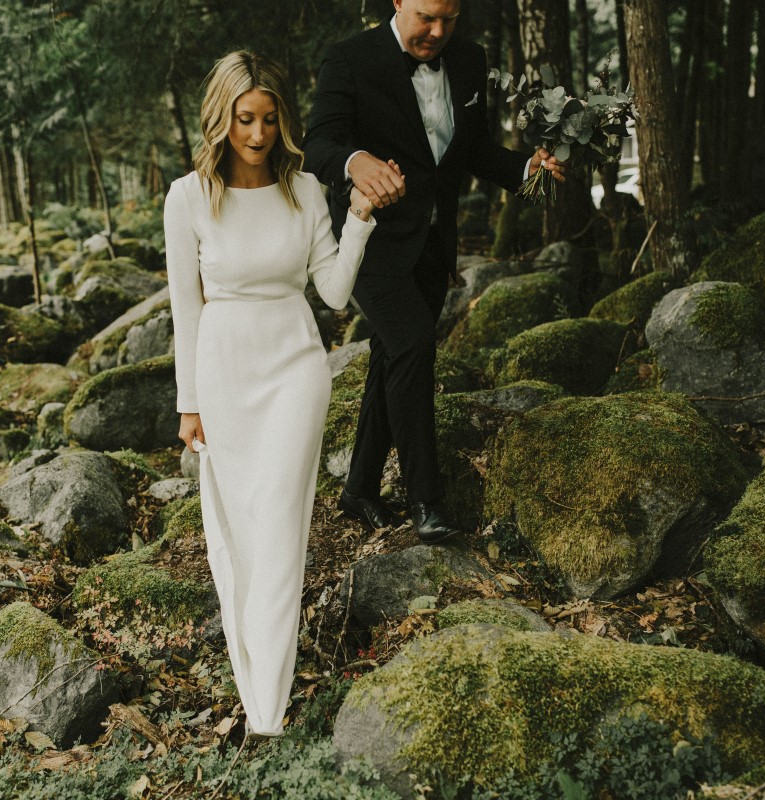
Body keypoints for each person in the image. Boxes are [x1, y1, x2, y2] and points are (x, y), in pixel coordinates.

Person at [165, 51, 395, 738]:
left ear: (283, 120)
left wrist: (358, 216)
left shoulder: (302, 193)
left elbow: (330, 291)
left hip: (296, 367)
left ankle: (269, 702)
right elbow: (185, 306)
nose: (258, 134)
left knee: (281, 529)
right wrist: (189, 402)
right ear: (221, 117)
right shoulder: (188, 198)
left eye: (269, 119)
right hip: (225, 372)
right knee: (237, 532)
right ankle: (254, 679)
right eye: (244, 119)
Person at [304, 0, 565, 543]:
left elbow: (471, 151)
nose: (438, 31)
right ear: (398, 1)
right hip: (366, 241)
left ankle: (359, 489)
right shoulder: (348, 59)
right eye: (427, 17)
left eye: (450, 18)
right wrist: (356, 163)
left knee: (392, 354)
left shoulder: (470, 59)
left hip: (431, 244)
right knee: (415, 343)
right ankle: (428, 500)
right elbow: (317, 145)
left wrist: (526, 168)